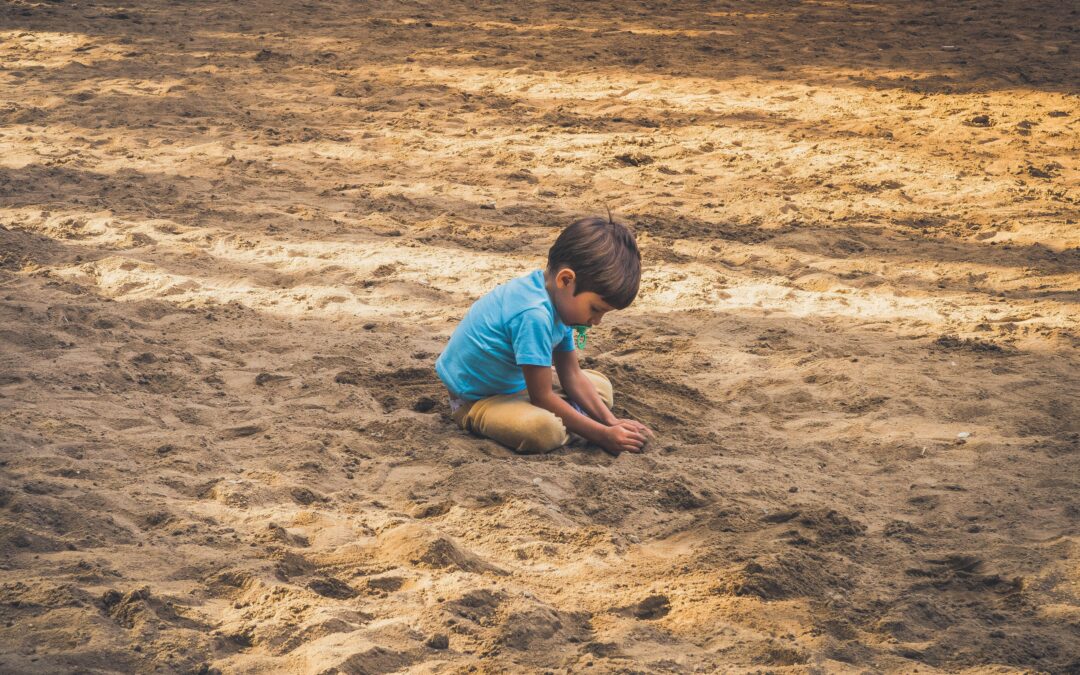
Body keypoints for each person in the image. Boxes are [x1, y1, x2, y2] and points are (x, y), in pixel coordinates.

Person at [435, 216, 654, 455]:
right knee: (543, 429)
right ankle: (575, 423)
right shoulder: (534, 314)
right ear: (566, 280)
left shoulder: (559, 301)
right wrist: (602, 435)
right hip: (478, 399)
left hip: (519, 384)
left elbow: (570, 374)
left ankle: (574, 421)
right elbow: (542, 397)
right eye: (595, 309)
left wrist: (611, 421)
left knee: (601, 388)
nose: (596, 321)